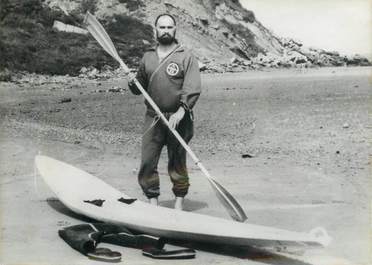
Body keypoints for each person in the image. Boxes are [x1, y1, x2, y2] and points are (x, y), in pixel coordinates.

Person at [127, 14, 201, 210]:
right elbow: (139, 87)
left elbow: (192, 87)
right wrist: (132, 84)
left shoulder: (185, 55)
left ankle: (178, 204)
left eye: (169, 27)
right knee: (148, 161)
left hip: (178, 117)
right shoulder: (148, 56)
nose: (166, 31)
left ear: (175, 29)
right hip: (153, 117)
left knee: (177, 162)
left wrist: (182, 110)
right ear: (156, 30)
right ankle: (153, 203)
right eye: (162, 27)